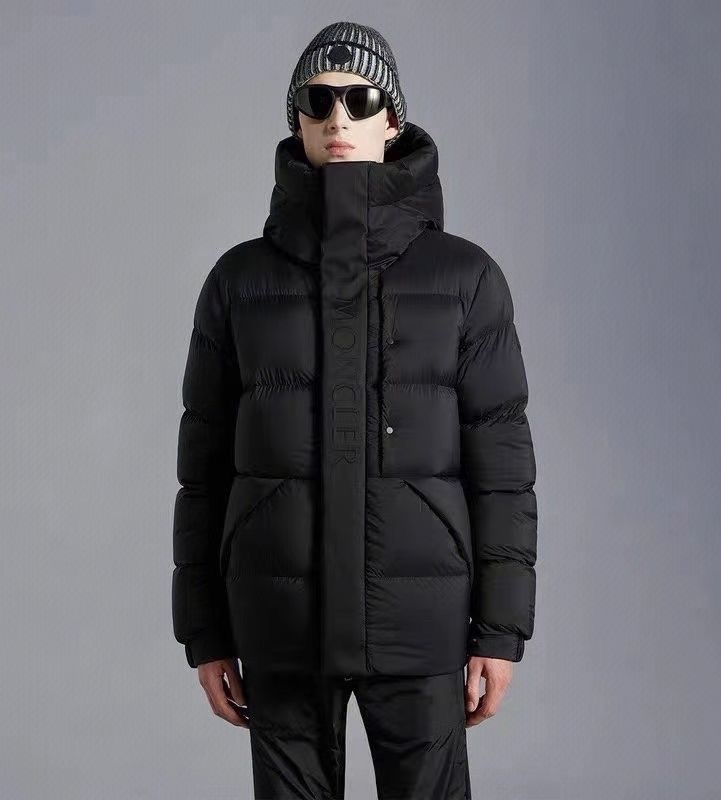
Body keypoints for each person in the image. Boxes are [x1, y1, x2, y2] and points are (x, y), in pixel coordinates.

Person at [171, 20, 538, 799]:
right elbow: (201, 473)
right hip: (279, 622)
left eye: (360, 100)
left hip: (422, 623)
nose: (338, 119)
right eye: (318, 101)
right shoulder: (239, 282)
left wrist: (501, 630)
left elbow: (503, 468)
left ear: (392, 119)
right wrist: (204, 632)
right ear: (297, 121)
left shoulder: (466, 280)